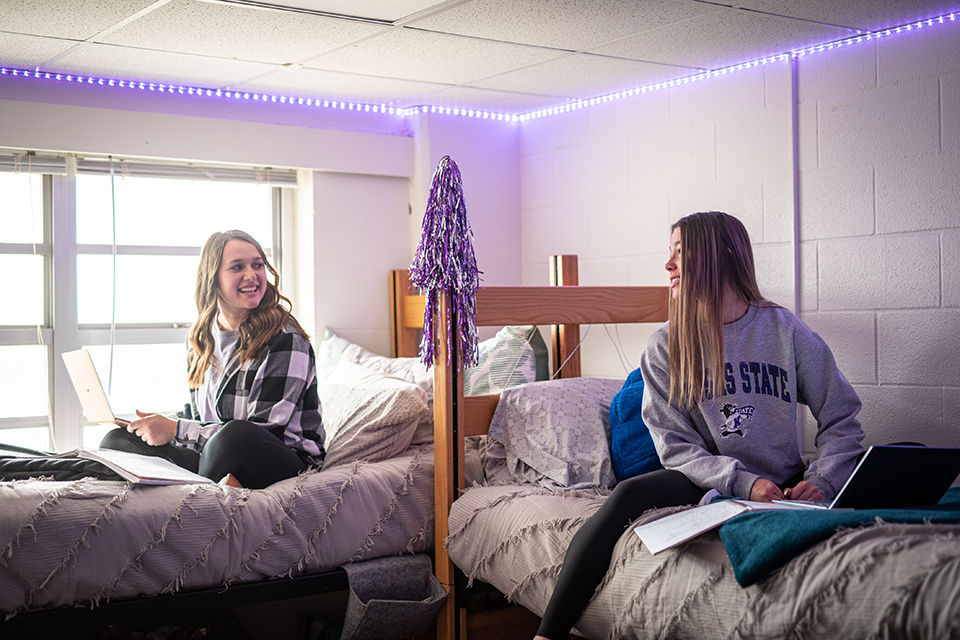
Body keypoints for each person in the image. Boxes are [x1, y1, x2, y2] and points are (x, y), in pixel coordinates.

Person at [534, 211, 864, 640]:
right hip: (705, 479)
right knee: (630, 493)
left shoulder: (785, 331)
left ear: (722, 255)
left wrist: (823, 479)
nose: (668, 265)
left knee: (905, 453)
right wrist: (744, 484)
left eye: (680, 253)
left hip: (784, 478)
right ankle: (546, 635)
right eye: (668, 254)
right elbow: (675, 447)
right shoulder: (666, 346)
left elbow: (842, 417)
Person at [100, 230, 325, 489]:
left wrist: (177, 430)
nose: (252, 275)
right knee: (117, 442)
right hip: (216, 454)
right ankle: (208, 482)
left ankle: (198, 489)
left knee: (234, 437)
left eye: (258, 265)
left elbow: (264, 432)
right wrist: (157, 424)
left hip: (281, 459)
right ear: (213, 279)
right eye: (237, 267)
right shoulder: (201, 337)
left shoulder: (285, 340)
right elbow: (202, 413)